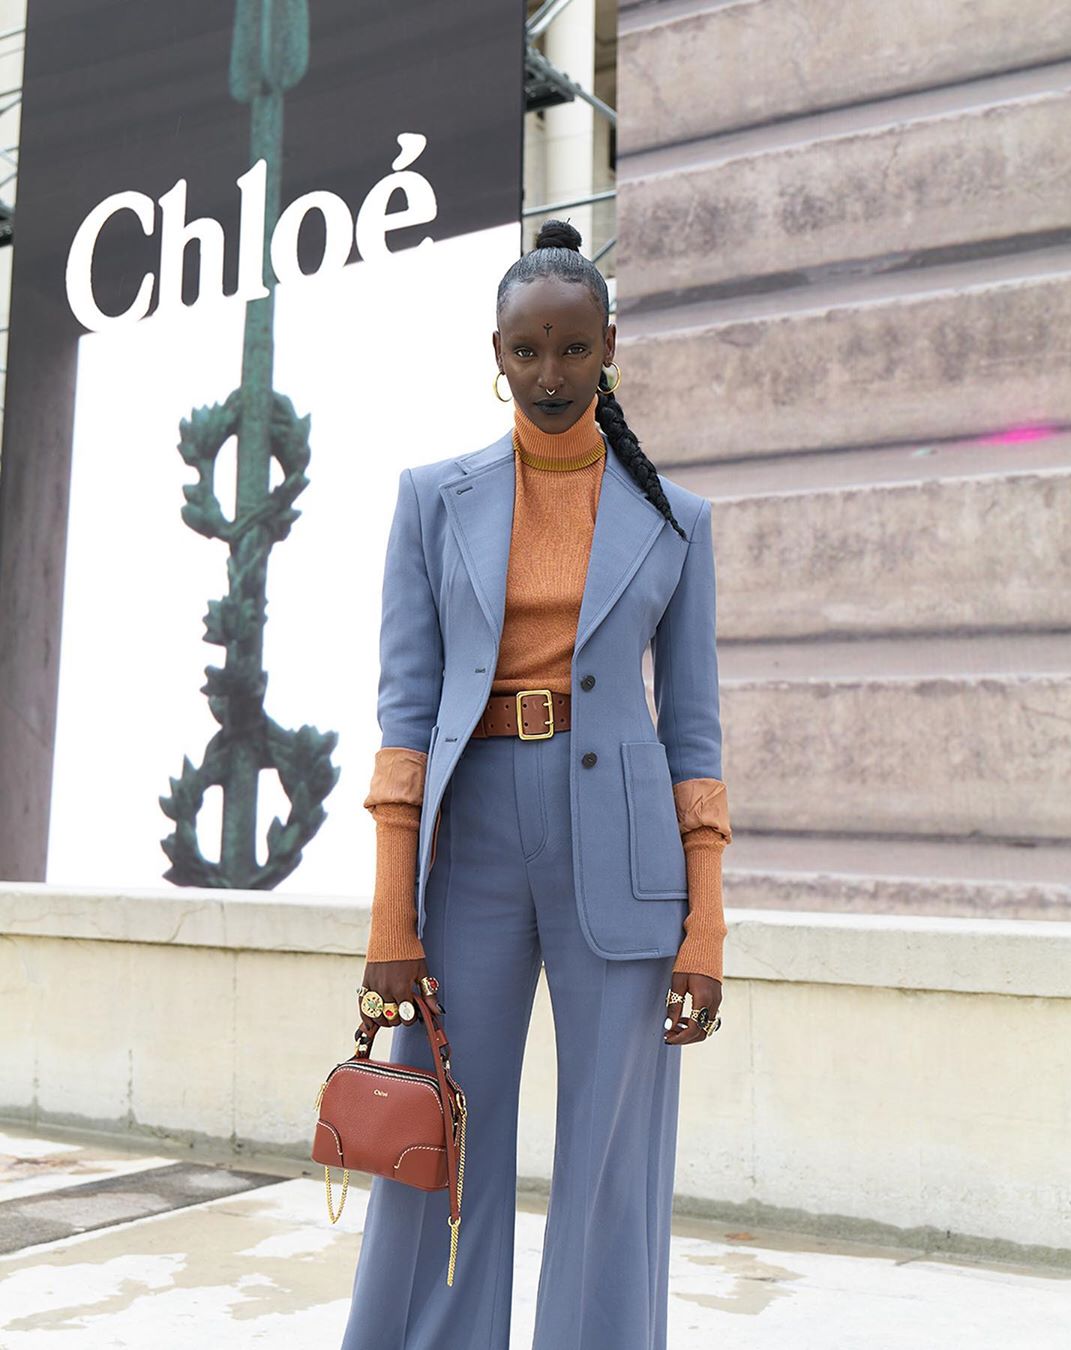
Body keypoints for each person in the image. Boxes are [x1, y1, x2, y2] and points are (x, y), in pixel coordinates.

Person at [339, 218, 733, 1350]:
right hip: (470, 844)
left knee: (613, 1156)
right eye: (528, 351)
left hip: (625, 849)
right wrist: (387, 918)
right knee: (441, 1135)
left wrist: (705, 929)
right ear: (496, 353)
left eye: (572, 348)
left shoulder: (678, 521)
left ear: (610, 345)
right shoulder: (431, 499)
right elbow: (403, 720)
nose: (551, 375)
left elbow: (694, 737)